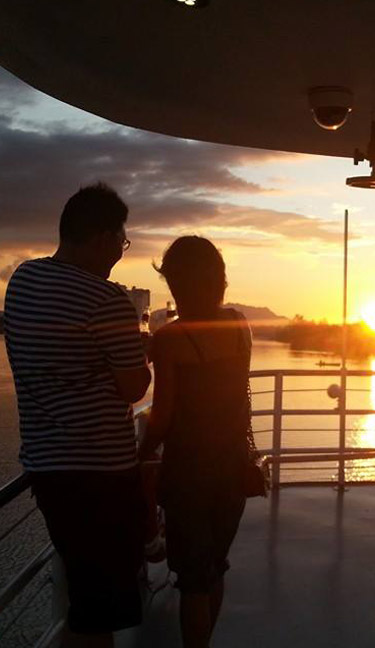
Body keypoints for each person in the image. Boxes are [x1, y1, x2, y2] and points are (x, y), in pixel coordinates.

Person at [4, 182, 151, 648]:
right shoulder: (107, 300)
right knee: (98, 612)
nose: (119, 255)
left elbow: (58, 358)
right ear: (106, 238)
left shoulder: (22, 280)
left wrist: (110, 358)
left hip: (48, 468)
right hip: (99, 475)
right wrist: (133, 357)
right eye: (122, 243)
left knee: (87, 603)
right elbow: (134, 386)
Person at [138, 236, 252, 648]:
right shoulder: (241, 323)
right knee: (215, 568)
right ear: (218, 280)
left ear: (178, 284)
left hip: (189, 474)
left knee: (192, 583)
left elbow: (164, 416)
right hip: (234, 469)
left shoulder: (171, 338)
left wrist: (141, 454)